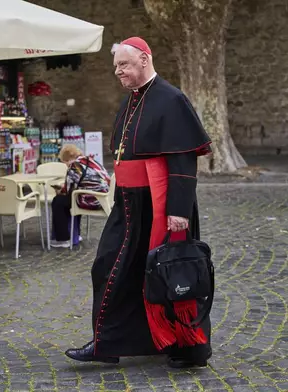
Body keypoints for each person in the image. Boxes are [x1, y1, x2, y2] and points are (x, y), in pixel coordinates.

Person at [64, 37, 213, 368]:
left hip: (158, 206)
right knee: (111, 267)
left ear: (144, 60)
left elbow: (183, 161)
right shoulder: (132, 100)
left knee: (169, 273)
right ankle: (110, 343)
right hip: (129, 204)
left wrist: (178, 211)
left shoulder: (171, 100)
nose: (118, 71)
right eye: (116, 65)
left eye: (124, 64)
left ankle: (186, 346)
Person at [50, 145, 110, 248]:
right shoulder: (90, 161)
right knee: (69, 200)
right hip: (103, 198)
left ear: (67, 159)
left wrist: (59, 189)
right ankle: (75, 234)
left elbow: (68, 190)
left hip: (91, 200)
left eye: (64, 162)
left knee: (58, 202)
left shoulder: (75, 166)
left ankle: (63, 238)